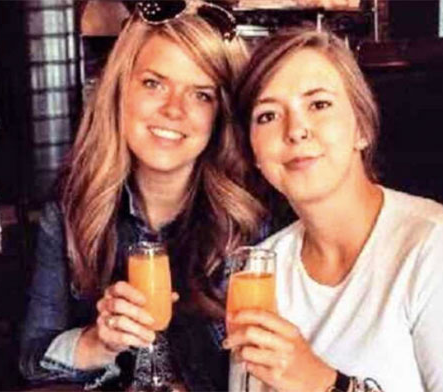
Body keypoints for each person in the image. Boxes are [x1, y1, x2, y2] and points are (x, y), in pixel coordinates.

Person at [224, 28, 443, 392]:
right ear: (254, 153)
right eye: (268, 115)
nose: (296, 130)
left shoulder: (439, 249)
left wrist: (326, 385)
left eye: (319, 105)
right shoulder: (262, 266)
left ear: (361, 128)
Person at [19, 2, 266, 390]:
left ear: (221, 114)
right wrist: (98, 342)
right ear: (120, 89)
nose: (173, 110)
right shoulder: (71, 210)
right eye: (154, 83)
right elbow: (33, 359)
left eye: (201, 94)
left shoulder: (254, 222)